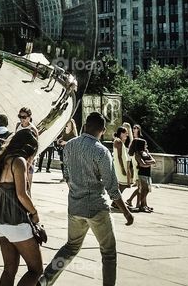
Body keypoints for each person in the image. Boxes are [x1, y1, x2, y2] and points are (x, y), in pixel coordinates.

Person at [40, 111, 134, 286]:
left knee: (70, 247)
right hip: (97, 207)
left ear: (85, 125)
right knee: (108, 253)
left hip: (75, 206)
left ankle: (46, 279)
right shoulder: (101, 151)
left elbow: (67, 175)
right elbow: (112, 187)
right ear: (103, 130)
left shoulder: (69, 146)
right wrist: (127, 212)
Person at [0, 129, 42, 286]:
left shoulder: (2, 159)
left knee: (9, 269)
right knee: (36, 270)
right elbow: (21, 194)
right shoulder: (19, 161)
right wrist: (35, 212)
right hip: (15, 221)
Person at [129, 133, 156, 213]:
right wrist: (148, 163)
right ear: (141, 145)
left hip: (147, 174)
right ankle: (141, 206)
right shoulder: (138, 154)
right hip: (142, 174)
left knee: (146, 190)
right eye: (145, 144)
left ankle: (144, 205)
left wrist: (146, 162)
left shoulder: (146, 152)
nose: (146, 145)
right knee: (145, 190)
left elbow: (153, 161)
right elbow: (142, 164)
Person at [112, 126, 132, 192]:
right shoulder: (118, 141)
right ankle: (115, 202)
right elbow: (119, 156)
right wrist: (122, 168)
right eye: (126, 133)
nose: (127, 134)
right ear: (121, 133)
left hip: (122, 165)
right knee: (122, 185)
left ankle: (115, 202)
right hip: (121, 166)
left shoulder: (119, 141)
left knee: (123, 186)